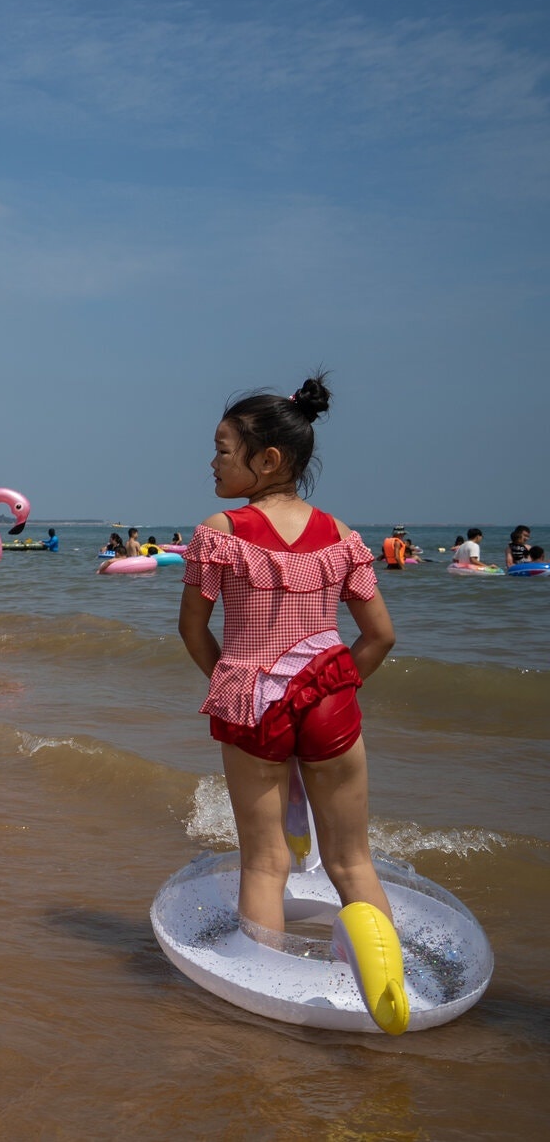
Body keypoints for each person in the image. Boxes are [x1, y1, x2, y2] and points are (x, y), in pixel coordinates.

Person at [177, 377, 398, 952]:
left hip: (255, 700)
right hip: (330, 694)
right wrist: (330, 689)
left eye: (224, 451)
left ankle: (265, 987)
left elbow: (192, 630)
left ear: (268, 459)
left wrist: (236, 687)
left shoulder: (221, 532)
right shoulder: (342, 535)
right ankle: (392, 979)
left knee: (267, 862)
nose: (213, 462)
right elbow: (379, 637)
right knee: (351, 860)